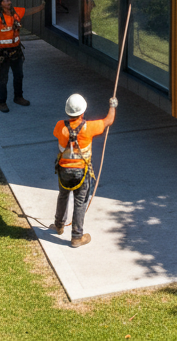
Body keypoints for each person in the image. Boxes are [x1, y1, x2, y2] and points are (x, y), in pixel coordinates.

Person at [52, 92, 117, 248]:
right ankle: (76, 237)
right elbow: (108, 121)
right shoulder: (89, 127)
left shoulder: (60, 126)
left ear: (68, 111)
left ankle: (59, 225)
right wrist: (113, 105)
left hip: (64, 170)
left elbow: (57, 134)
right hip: (81, 171)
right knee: (80, 202)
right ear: (82, 112)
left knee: (63, 195)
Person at [0, 0, 44, 112]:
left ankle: (18, 97)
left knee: (19, 75)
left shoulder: (16, 12)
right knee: (3, 78)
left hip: (16, 51)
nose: (9, 2)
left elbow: (28, 11)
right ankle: (2, 102)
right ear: (0, 4)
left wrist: (42, 6)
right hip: (3, 53)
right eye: (6, 1)